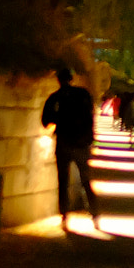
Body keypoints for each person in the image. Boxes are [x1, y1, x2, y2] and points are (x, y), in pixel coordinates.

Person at [40, 66, 100, 232]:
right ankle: (95, 213)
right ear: (71, 79)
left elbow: (46, 121)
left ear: (58, 80)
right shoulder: (83, 94)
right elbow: (90, 115)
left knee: (63, 180)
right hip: (81, 143)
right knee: (86, 179)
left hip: (64, 142)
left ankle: (64, 216)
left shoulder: (55, 98)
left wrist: (59, 119)